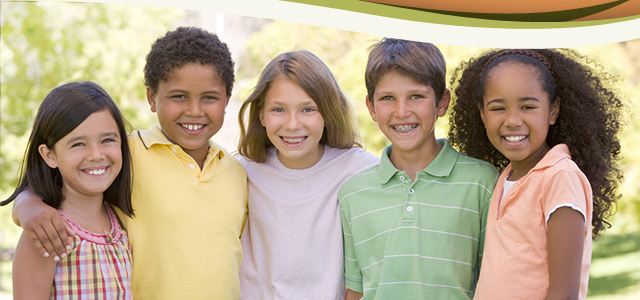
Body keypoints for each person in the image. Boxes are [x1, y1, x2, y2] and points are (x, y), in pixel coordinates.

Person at [11, 27, 248, 299]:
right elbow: (59, 175)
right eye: (179, 96)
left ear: (227, 101)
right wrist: (26, 205)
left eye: (209, 97)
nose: (194, 110)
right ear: (152, 98)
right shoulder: (127, 152)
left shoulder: (237, 173)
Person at [447, 48, 623, 299]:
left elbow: (563, 294)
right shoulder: (505, 177)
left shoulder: (560, 178)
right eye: (498, 108)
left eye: (528, 106)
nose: (512, 120)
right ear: (482, 114)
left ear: (553, 111)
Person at [339, 38, 499, 300]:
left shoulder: (481, 182)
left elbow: (492, 280)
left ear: (441, 102)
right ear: (371, 108)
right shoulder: (353, 194)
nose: (402, 111)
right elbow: (356, 288)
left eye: (416, 96)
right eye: (388, 98)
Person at [236, 50, 379, 299]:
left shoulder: (359, 170)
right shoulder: (241, 172)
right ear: (261, 115)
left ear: (328, 112)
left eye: (308, 109)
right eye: (278, 110)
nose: (292, 124)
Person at [3, 81, 134, 299]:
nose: (96, 154)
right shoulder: (46, 233)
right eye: (78, 144)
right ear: (49, 155)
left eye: (107, 140)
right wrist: (25, 203)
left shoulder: (121, 223)